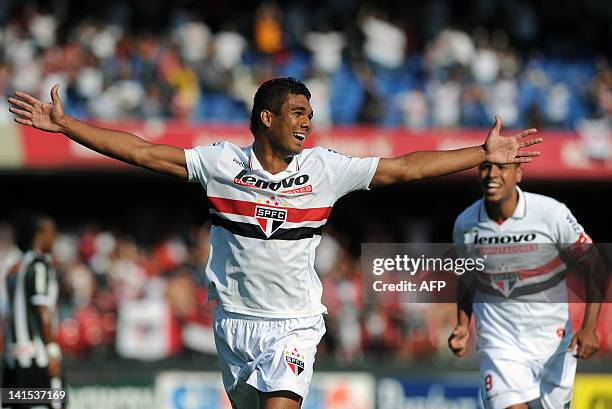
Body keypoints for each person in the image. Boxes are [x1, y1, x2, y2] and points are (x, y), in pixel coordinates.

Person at [9, 77, 541, 409]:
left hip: (294, 325)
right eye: (297, 114)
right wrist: (68, 126)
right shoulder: (221, 164)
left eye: (310, 115)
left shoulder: (325, 170)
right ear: (267, 118)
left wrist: (481, 151)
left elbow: (404, 168)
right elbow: (145, 153)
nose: (308, 125)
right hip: (233, 322)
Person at [448, 162, 602, 409]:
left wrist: (590, 327)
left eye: (501, 167)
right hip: (500, 344)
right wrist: (463, 324)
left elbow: (595, 264)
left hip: (553, 344)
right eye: (485, 167)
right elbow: (468, 276)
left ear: (519, 173)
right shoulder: (465, 224)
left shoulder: (550, 213)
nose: (492, 174)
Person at [2, 214, 64, 409]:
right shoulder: (39, 266)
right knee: (52, 404)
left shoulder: (14, 268)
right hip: (37, 361)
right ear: (40, 234)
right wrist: (52, 351)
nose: (55, 237)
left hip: (14, 359)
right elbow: (42, 309)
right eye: (52, 232)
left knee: (18, 405)